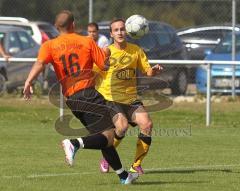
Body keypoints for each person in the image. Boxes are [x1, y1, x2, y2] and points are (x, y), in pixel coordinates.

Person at [23, 10, 138, 185]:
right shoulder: (87, 41)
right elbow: (104, 66)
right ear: (74, 25)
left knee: (103, 138)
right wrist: (106, 54)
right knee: (108, 137)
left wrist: (28, 82)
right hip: (88, 93)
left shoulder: (49, 45)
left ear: (56, 27)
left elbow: (39, 64)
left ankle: (124, 176)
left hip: (72, 100)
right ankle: (74, 143)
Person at [94, 18, 162, 175]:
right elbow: (93, 72)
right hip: (110, 98)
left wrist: (154, 70)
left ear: (128, 31)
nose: (120, 32)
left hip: (130, 99)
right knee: (122, 127)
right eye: (116, 30)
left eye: (122, 29)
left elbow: (148, 71)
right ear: (111, 34)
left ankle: (136, 165)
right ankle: (107, 157)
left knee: (147, 125)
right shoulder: (106, 52)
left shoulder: (135, 50)